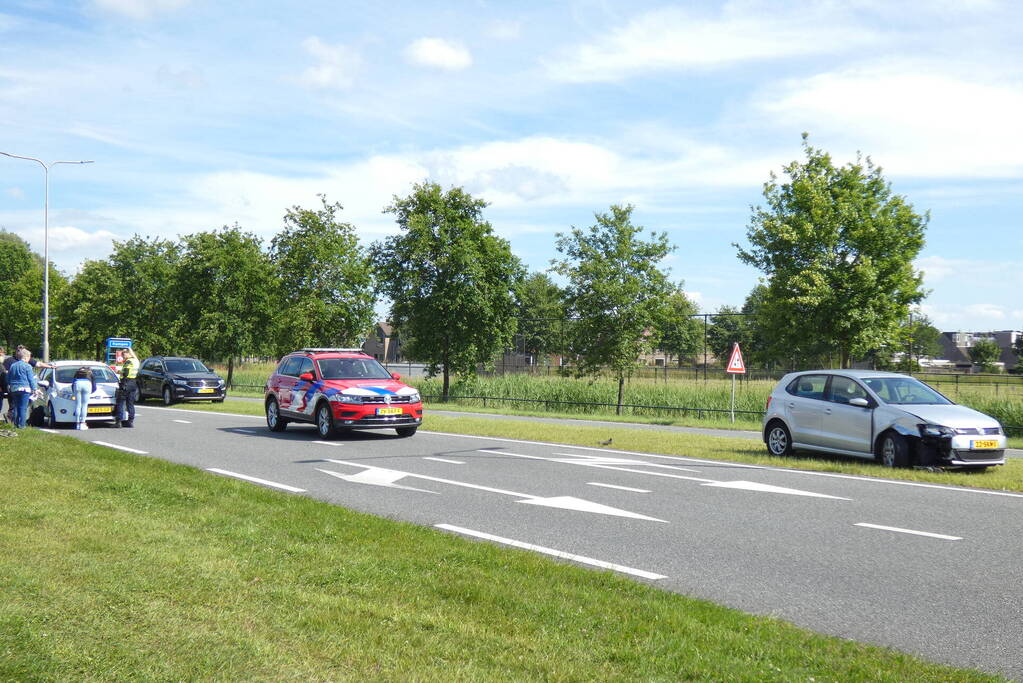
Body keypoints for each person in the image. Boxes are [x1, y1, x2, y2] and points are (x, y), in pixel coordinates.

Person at [6, 348, 38, 428]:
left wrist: (10, 385)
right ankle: (22, 425)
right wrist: (34, 389)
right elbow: (31, 379)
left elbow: (8, 378)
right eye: (29, 357)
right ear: (26, 357)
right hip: (25, 389)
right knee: (23, 408)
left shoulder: (13, 365)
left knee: (16, 407)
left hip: (14, 389)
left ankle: (16, 424)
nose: (29, 359)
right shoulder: (27, 366)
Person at [115, 347, 140, 428]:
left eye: (124, 353)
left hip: (126, 383)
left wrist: (119, 372)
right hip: (133, 383)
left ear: (128, 353)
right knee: (130, 403)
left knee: (120, 401)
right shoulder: (136, 361)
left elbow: (126, 372)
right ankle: (130, 421)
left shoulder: (129, 361)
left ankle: (118, 421)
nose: (122, 355)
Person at [72, 365, 96, 430]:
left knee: (78, 404)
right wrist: (91, 392)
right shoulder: (90, 373)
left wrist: (74, 391)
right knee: (85, 405)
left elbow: (73, 383)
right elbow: (94, 386)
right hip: (87, 384)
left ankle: (77, 424)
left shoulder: (77, 372)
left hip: (77, 384)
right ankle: (82, 423)